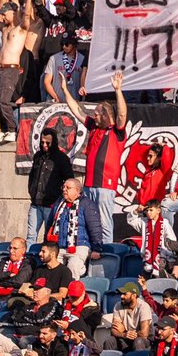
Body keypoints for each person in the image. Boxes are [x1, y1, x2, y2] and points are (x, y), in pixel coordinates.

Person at [61, 71, 126, 246]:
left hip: (105, 185)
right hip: (89, 184)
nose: (94, 116)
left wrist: (118, 90)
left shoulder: (116, 131)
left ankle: (107, 252)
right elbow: (76, 110)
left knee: (104, 222)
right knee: (89, 220)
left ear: (105, 115)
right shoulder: (94, 127)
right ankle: (91, 250)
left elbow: (121, 115)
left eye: (97, 113)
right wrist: (65, 89)